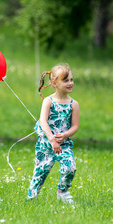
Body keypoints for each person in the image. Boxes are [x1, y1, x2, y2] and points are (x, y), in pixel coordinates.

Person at [27, 64, 79, 203]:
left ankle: (63, 191)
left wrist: (65, 134)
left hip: (64, 144)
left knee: (70, 167)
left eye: (71, 80)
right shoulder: (48, 101)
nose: (70, 83)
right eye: (66, 80)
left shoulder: (74, 104)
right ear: (54, 83)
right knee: (40, 172)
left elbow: (75, 126)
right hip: (46, 144)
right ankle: (31, 197)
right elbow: (43, 122)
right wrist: (51, 139)